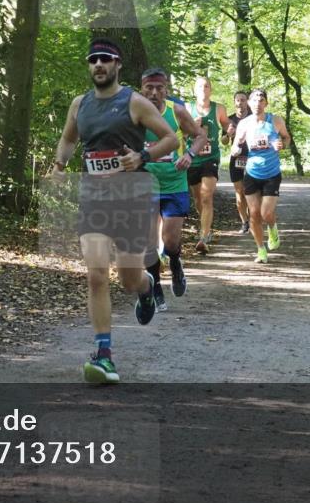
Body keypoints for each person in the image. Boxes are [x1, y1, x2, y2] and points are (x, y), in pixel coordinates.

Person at [50, 39, 179, 384]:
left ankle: (146, 285)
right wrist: (60, 164)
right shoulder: (80, 105)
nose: (98, 65)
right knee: (95, 274)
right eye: (93, 60)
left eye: (105, 59)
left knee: (128, 279)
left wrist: (142, 157)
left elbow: (171, 138)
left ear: (117, 65)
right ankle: (103, 354)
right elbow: (68, 139)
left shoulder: (134, 103)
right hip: (94, 197)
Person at [139, 68, 208, 311]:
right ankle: (155, 285)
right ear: (142, 89)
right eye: (150, 88)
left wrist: (189, 154)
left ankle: (176, 262)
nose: (155, 93)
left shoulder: (176, 111)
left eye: (160, 88)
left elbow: (200, 136)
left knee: (170, 240)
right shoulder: (132, 113)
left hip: (174, 183)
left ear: (166, 90)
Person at [231, 88, 291, 264]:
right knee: (254, 214)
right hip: (251, 173)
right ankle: (261, 249)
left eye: (261, 100)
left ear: (266, 103)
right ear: (249, 103)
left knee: (266, 213)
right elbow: (236, 144)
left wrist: (282, 144)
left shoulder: (276, 121)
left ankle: (273, 228)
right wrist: (235, 149)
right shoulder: (244, 124)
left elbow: (287, 138)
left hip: (272, 173)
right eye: (254, 100)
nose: (258, 103)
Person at [188, 76, 230, 254]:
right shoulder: (186, 108)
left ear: (210, 90)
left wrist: (229, 132)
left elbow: (227, 126)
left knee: (207, 196)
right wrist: (191, 127)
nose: (203, 89)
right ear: (194, 90)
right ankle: (205, 226)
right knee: (198, 199)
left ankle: (203, 237)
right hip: (192, 158)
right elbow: (178, 132)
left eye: (206, 86)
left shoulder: (218, 108)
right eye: (200, 86)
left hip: (210, 157)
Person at [225, 90, 251, 235]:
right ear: (234, 102)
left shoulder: (255, 117)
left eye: (243, 99)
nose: (240, 102)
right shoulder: (230, 120)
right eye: (238, 100)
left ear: (247, 101)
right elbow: (223, 142)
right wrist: (228, 135)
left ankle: (254, 219)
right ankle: (244, 222)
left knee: (252, 191)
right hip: (236, 159)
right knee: (239, 192)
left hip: (253, 158)